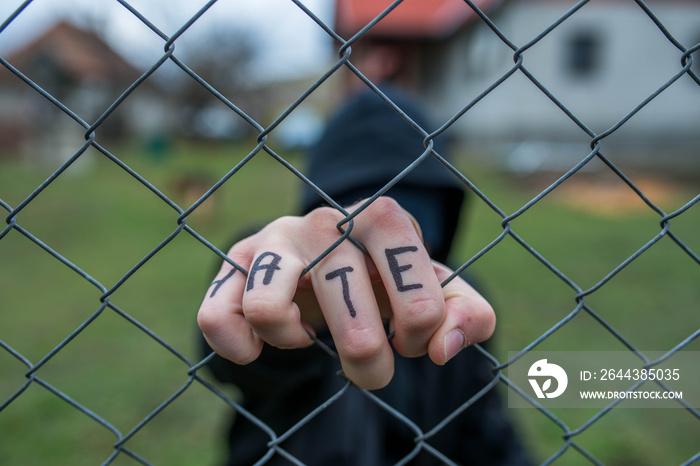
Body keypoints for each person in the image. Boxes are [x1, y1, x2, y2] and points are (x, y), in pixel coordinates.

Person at [197, 36, 531, 466]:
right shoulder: (279, 278)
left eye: (417, 232)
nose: (385, 248)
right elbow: (231, 356)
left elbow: (488, 432)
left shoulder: (461, 301)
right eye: (352, 221)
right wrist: (295, 314)